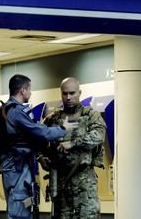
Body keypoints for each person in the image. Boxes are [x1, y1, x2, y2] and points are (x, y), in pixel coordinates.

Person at [0, 74, 78, 219]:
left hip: (10, 168)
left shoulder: (0, 112)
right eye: (30, 89)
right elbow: (41, 133)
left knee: (16, 206)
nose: (31, 93)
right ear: (23, 90)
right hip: (18, 169)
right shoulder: (17, 111)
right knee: (19, 211)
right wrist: (63, 129)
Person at [40, 77, 106, 218]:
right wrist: (41, 157)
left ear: (79, 92)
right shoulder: (52, 118)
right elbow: (38, 138)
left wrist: (72, 143)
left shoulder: (91, 116)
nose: (68, 97)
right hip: (61, 182)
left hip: (84, 182)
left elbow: (99, 135)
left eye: (72, 93)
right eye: (65, 94)